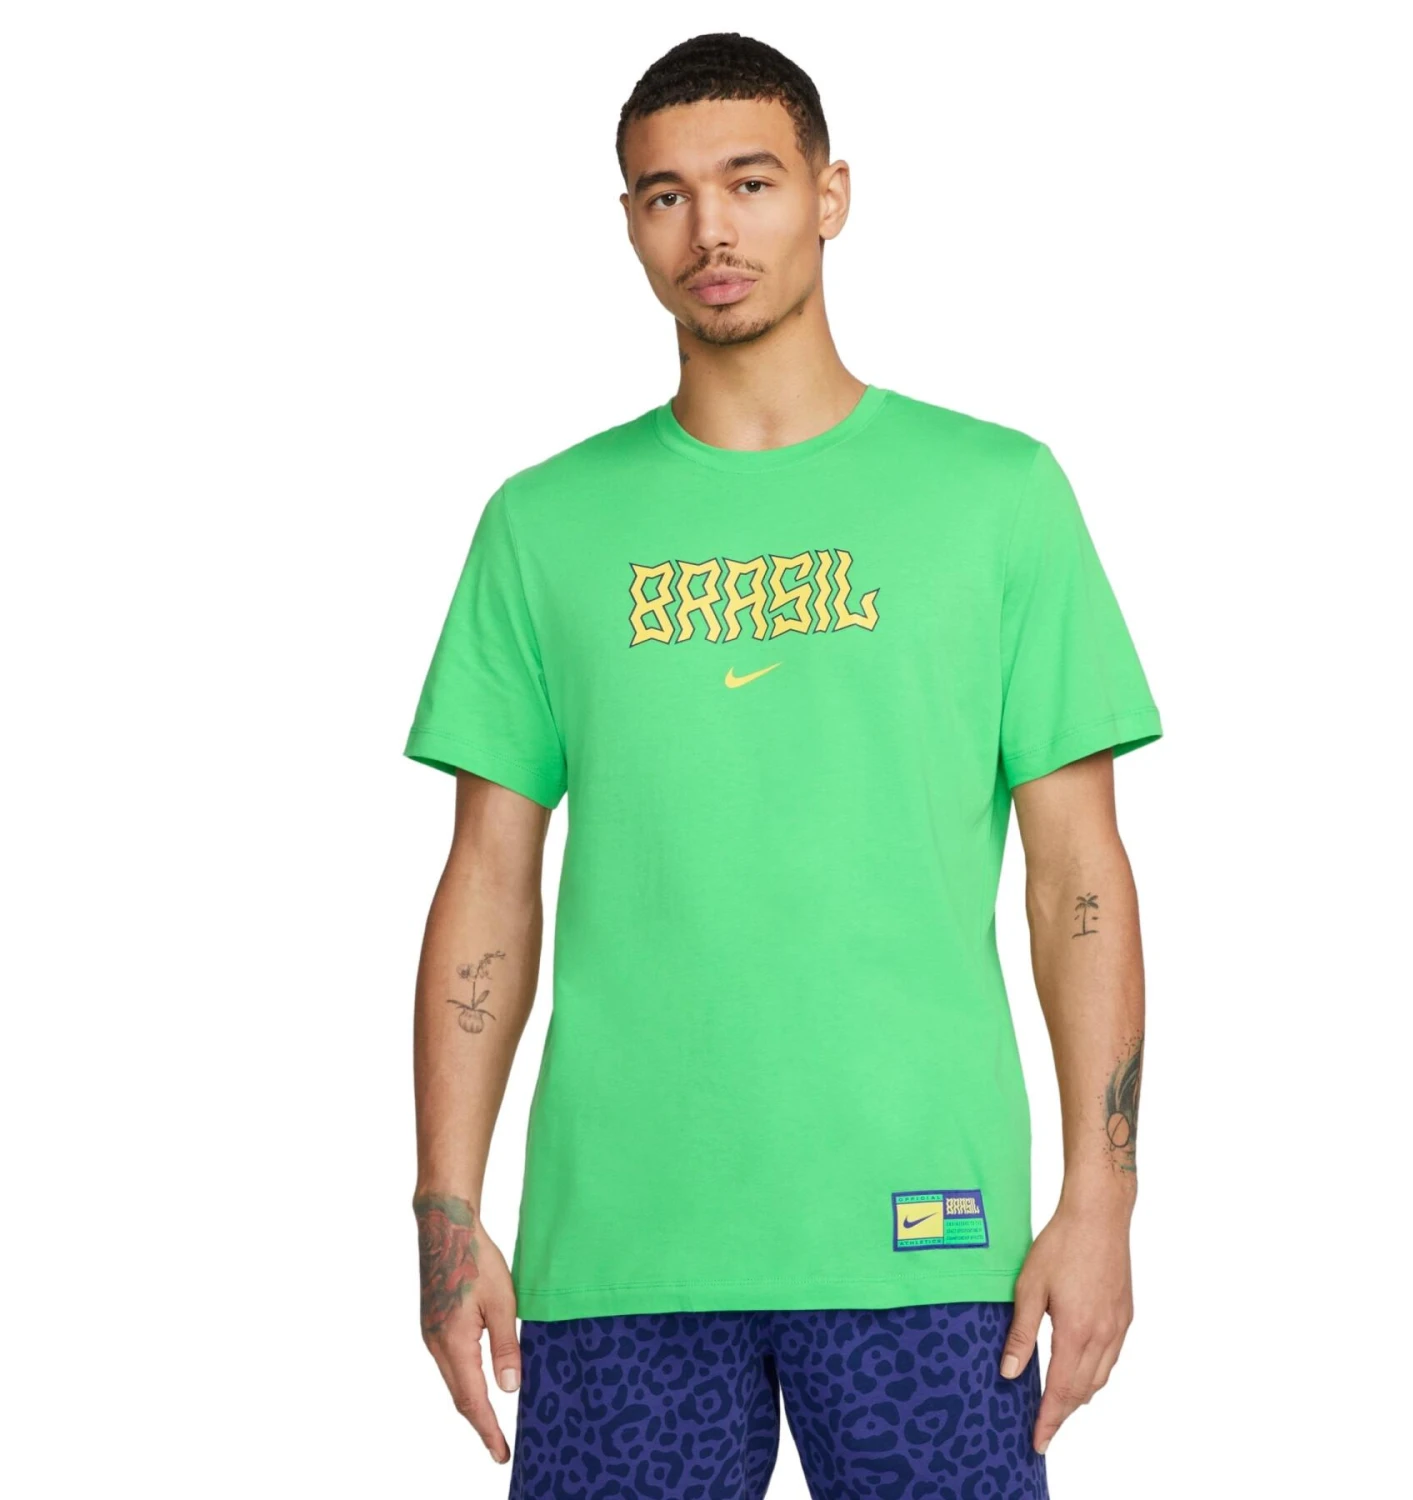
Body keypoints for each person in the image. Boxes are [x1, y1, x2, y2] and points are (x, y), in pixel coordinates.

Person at [403, 31, 1161, 1500]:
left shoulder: (995, 495)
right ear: (631, 222)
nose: (711, 230)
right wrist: (447, 1210)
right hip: (620, 1247)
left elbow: (1078, 873)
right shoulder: (542, 525)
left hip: (928, 1241)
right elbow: (487, 879)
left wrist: (1103, 1201)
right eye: (666, 195)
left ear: (830, 194)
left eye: (750, 181)